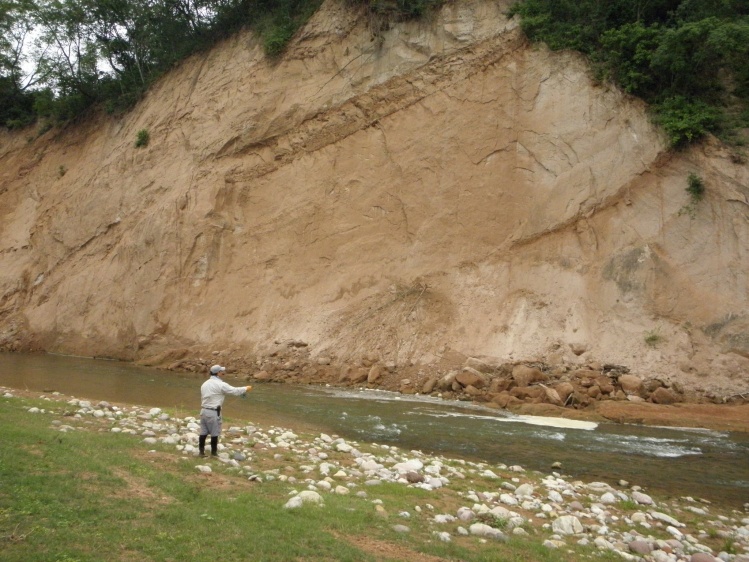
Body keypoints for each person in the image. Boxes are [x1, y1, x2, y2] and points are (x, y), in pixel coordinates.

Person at [198, 364, 252, 457]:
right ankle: (214, 454)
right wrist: (245, 388)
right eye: (222, 371)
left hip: (203, 411)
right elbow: (234, 391)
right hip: (214, 412)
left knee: (203, 432)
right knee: (215, 433)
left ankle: (201, 452)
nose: (223, 373)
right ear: (218, 373)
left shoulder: (204, 384)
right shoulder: (221, 384)